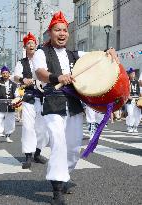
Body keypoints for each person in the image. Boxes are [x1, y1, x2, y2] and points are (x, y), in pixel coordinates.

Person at [32, 11, 120, 205]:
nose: (61, 33)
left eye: (64, 30)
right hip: (53, 105)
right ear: (50, 32)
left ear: (68, 33)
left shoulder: (74, 55)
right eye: (57, 30)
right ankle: (57, 188)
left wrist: (109, 50)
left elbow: (97, 58)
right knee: (59, 144)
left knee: (72, 148)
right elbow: (40, 72)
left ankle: (63, 177)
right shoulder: (41, 52)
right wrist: (57, 77)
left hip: (73, 105)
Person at [14, 32, 49, 169]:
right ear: (25, 47)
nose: (31, 45)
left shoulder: (42, 60)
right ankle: (28, 156)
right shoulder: (21, 63)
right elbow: (16, 77)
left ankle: (38, 153)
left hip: (43, 96)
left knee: (43, 128)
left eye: (33, 43)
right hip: (29, 97)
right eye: (28, 43)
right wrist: (23, 80)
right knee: (28, 127)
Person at [0, 66, 17, 144]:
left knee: (10, 121)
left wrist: (16, 101)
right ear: (1, 74)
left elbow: (16, 94)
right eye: (3, 73)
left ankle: (8, 136)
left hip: (11, 104)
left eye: (6, 73)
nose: (5, 75)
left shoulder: (13, 84)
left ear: (9, 74)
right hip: (1, 103)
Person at [126, 67, 141, 133]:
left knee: (137, 114)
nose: (133, 74)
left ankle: (135, 126)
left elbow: (139, 91)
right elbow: (124, 91)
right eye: (131, 73)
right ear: (129, 74)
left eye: (134, 73)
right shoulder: (126, 81)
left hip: (136, 99)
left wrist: (140, 97)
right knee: (130, 114)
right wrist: (127, 96)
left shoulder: (137, 82)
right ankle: (130, 126)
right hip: (129, 101)